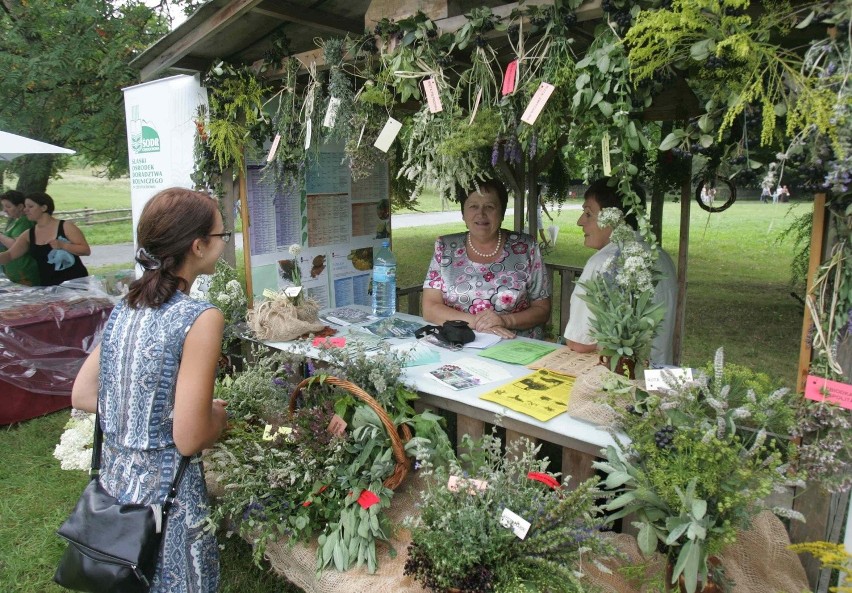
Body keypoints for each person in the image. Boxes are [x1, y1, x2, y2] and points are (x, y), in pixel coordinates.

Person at [71, 187, 230, 593]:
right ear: (197, 246)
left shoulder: (129, 305)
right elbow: (191, 437)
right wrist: (218, 415)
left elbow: (84, 394)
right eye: (221, 235)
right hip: (168, 503)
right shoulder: (201, 318)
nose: (224, 242)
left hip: (117, 490)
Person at [564, 178, 678, 366]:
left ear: (613, 218)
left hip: (617, 381)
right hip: (657, 377)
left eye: (588, 213)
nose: (580, 222)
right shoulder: (660, 256)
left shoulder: (602, 263)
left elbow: (579, 342)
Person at [422, 178, 551, 339]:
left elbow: (542, 310)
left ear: (502, 213)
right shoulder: (446, 247)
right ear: (463, 213)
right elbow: (430, 307)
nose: (481, 214)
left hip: (516, 344)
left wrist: (505, 321)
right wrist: (478, 323)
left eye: (490, 207)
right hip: (460, 341)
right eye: (473, 206)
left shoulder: (526, 247)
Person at [0, 192, 90, 285]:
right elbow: (10, 255)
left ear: (44, 208)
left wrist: (63, 245)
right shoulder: (28, 234)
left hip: (75, 283)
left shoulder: (66, 226)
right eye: (25, 207)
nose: (26, 210)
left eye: (30, 206)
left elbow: (85, 250)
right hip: (48, 285)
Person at [0, 190, 40, 285]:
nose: (5, 210)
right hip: (16, 271)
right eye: (3, 206)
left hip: (24, 272)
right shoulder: (16, 221)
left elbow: (17, 246)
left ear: (20, 206)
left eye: (8, 206)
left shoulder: (24, 222)